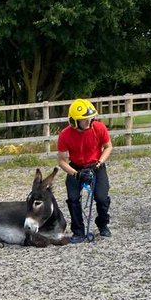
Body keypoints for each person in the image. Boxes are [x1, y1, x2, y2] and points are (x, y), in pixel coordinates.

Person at [56, 98, 113, 242]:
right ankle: (78, 231)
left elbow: (108, 147)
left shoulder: (99, 128)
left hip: (96, 165)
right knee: (73, 198)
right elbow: (62, 161)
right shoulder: (65, 135)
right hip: (76, 167)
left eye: (90, 118)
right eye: (84, 119)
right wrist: (76, 174)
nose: (89, 122)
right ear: (74, 121)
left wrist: (100, 162)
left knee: (101, 197)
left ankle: (103, 224)